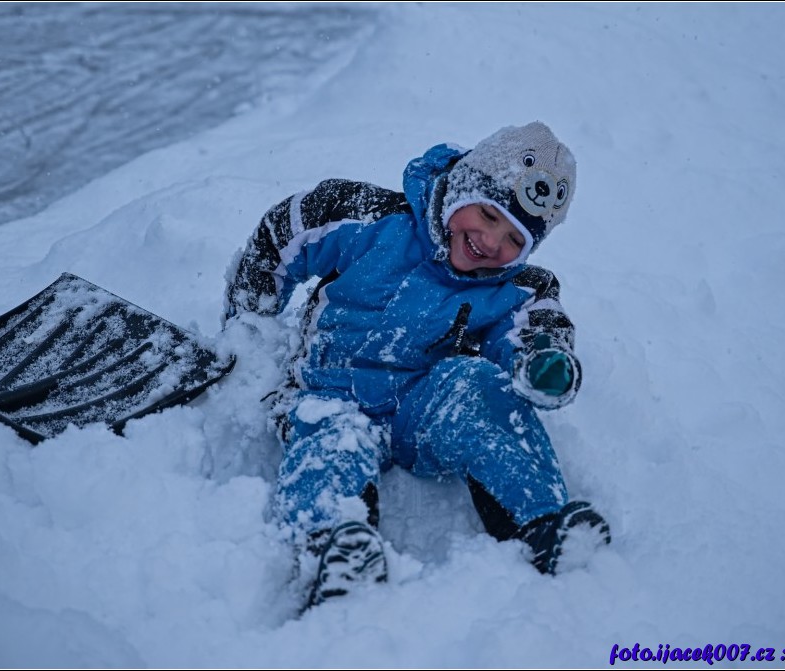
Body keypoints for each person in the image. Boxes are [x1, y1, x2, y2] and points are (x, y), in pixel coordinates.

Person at [224, 121, 611, 609]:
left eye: (514, 238)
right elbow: (284, 233)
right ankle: (330, 547)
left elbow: (536, 325)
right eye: (489, 215)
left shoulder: (511, 287)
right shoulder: (370, 221)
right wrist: (247, 325)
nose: (491, 243)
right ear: (461, 190)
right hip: (330, 391)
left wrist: (542, 362)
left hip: (420, 407)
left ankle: (542, 523)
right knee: (329, 440)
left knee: (477, 384)